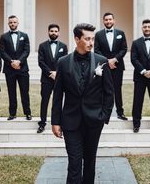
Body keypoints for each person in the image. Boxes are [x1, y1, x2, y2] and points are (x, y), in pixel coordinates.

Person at [51, 23, 114, 184]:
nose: (91, 42)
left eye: (92, 39)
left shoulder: (102, 61)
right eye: (87, 39)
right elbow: (58, 95)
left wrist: (104, 116)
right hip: (70, 121)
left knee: (90, 162)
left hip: (94, 120)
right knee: (74, 163)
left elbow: (109, 92)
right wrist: (55, 122)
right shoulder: (63, 62)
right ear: (76, 39)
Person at [94, 12, 128, 120]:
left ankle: (120, 112)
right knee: (103, 89)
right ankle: (103, 112)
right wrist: (107, 61)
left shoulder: (121, 33)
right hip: (104, 66)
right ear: (103, 21)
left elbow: (124, 49)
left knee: (117, 89)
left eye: (110, 19)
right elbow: (96, 50)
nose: (108, 21)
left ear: (114, 20)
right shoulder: (98, 34)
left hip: (118, 66)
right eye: (106, 20)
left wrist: (114, 59)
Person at [0, 15, 32, 120]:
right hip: (9, 69)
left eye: (14, 22)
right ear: (8, 24)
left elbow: (26, 50)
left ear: (18, 23)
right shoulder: (3, 36)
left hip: (22, 69)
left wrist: (19, 61)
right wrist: (11, 62)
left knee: (24, 91)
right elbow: (2, 51)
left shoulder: (24, 35)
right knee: (11, 92)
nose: (12, 24)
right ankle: (12, 113)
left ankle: (28, 112)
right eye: (11, 22)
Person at [37, 24, 68, 133]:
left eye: (55, 31)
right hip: (46, 79)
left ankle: (58, 122)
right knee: (44, 101)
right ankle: (42, 123)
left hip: (59, 79)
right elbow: (41, 62)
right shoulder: (42, 46)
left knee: (58, 101)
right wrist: (50, 73)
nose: (53, 33)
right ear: (48, 32)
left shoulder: (63, 46)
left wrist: (57, 73)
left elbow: (65, 62)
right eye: (51, 31)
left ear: (58, 33)